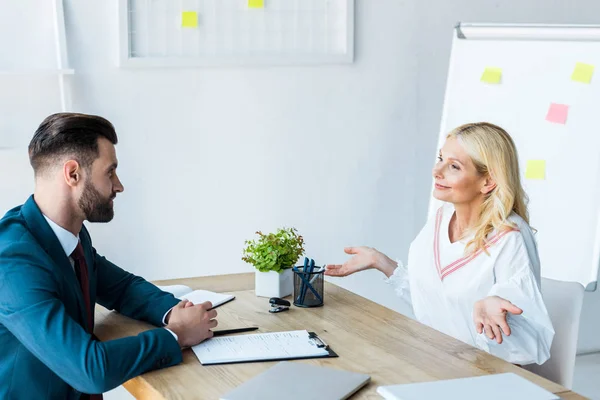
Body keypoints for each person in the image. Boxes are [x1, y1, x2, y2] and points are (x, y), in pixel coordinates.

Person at [0, 113, 218, 399]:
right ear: (73, 174)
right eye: (110, 171)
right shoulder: (14, 260)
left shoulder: (69, 235)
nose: (119, 185)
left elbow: (122, 287)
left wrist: (174, 312)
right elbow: (89, 370)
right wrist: (175, 336)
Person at [326, 122, 554, 365]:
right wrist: (382, 263)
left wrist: (499, 317)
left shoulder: (511, 237)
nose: (437, 170)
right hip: (438, 361)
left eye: (454, 166)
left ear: (487, 182)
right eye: (441, 159)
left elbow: (531, 347)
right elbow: (433, 300)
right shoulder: (441, 219)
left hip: (486, 376)